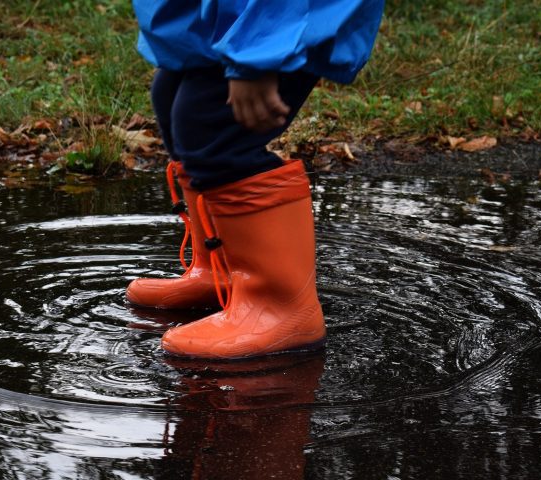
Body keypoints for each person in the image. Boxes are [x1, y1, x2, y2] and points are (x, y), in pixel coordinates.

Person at [127, 1, 386, 359]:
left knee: (213, 130)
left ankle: (280, 309)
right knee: (173, 100)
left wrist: (256, 55)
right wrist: (183, 38)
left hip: (273, 21)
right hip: (221, 19)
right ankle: (221, 271)